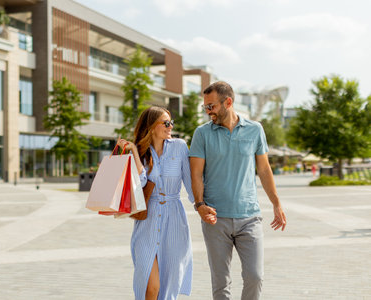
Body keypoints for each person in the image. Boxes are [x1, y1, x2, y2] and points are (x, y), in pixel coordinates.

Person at [189, 81, 287, 300]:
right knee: (221, 282)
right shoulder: (202, 133)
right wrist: (199, 205)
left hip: (249, 217)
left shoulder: (255, 130)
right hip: (216, 218)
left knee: (255, 276)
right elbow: (195, 173)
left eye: (211, 106)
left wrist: (276, 204)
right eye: (205, 107)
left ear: (228, 102)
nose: (208, 111)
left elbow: (263, 169)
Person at [117, 106, 194, 300]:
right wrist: (134, 152)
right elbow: (140, 182)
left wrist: (202, 206)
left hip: (174, 221)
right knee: (150, 286)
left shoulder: (180, 146)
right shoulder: (141, 151)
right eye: (166, 123)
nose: (171, 127)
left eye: (171, 123)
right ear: (152, 127)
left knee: (169, 286)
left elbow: (191, 183)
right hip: (147, 222)